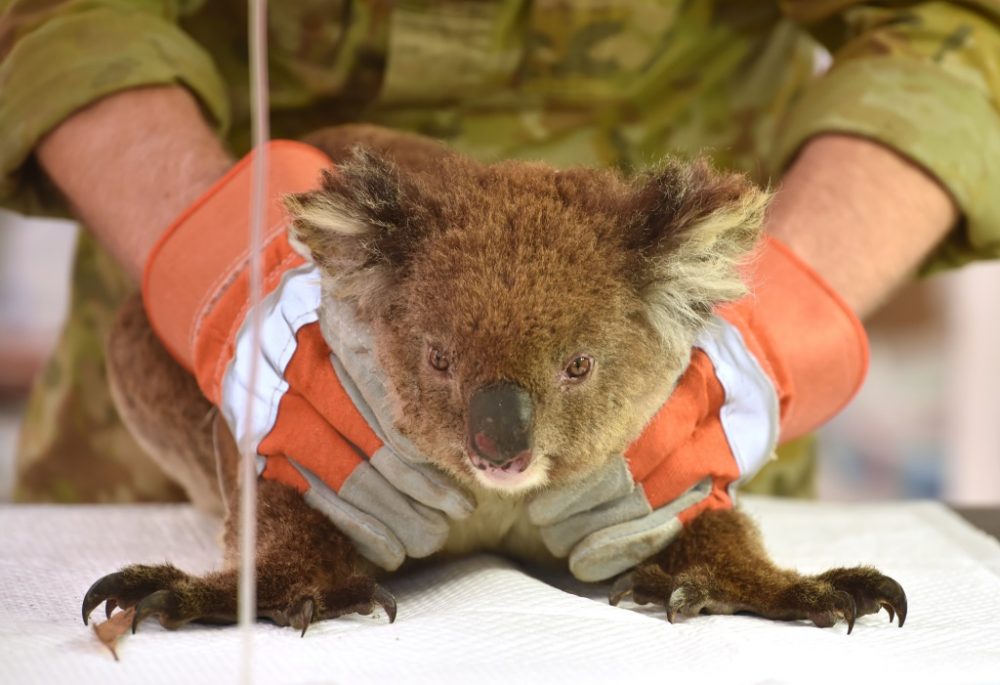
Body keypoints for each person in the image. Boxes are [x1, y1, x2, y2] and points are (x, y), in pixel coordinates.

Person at [0, 1, 994, 504]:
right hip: (218, 395)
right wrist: (217, 266)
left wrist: (771, 325)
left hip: (661, 416)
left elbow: (955, 21)